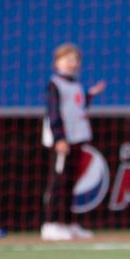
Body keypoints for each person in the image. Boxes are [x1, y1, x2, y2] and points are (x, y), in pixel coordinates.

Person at [41, 42, 106, 241]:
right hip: (62, 142)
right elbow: (53, 113)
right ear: (57, 63)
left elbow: (77, 106)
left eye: (75, 60)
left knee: (70, 183)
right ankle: (51, 224)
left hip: (77, 139)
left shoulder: (76, 85)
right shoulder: (54, 85)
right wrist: (59, 138)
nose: (72, 63)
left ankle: (68, 223)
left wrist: (90, 95)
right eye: (68, 59)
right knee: (58, 182)